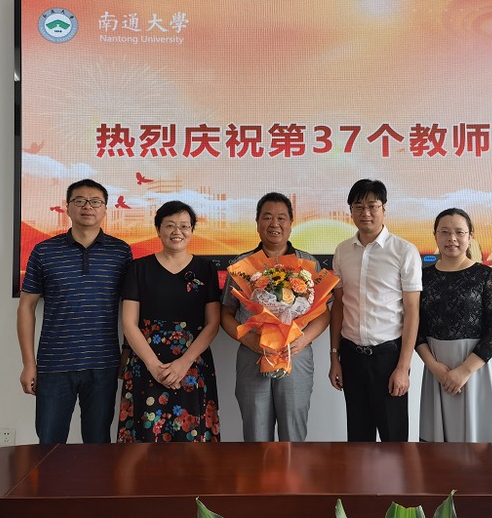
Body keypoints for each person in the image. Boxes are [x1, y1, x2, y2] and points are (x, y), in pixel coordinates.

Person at [17, 179, 133, 443]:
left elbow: (131, 307)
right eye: (79, 201)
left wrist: (127, 351)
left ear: (105, 209)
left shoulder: (120, 252)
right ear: (67, 207)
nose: (87, 207)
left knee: (98, 444)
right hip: (54, 364)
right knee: (49, 444)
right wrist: (28, 363)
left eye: (95, 201)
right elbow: (26, 306)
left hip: (104, 363)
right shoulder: (44, 251)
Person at [221, 192, 330, 442]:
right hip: (253, 353)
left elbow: (324, 313)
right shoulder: (242, 265)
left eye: (281, 218)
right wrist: (248, 340)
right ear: (257, 222)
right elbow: (225, 313)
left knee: (293, 432)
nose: (274, 224)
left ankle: (293, 472)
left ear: (291, 223)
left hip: (296, 354)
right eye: (267, 217)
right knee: (256, 432)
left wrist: (303, 340)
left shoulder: (308, 263)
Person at [117, 200, 221, 443]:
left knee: (191, 437)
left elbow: (212, 323)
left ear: (192, 230)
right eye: (170, 225)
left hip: (192, 362)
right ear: (158, 229)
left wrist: (184, 363)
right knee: (145, 437)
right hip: (146, 361)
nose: (177, 231)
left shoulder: (206, 268)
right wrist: (154, 366)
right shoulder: (138, 268)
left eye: (184, 225)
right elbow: (129, 323)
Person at [329, 179, 422, 442]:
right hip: (351, 357)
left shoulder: (404, 251)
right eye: (358, 206)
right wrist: (334, 357)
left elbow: (412, 312)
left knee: (394, 441)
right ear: (350, 211)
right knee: (358, 440)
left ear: (384, 209)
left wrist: (403, 367)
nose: (366, 213)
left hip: (388, 358)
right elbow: (339, 306)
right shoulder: (342, 251)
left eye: (372, 205)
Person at [416, 208, 492, 443]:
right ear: (435, 235)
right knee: (438, 452)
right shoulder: (422, 277)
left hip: (476, 370)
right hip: (437, 370)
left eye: (459, 232)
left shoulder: (486, 275)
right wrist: (434, 367)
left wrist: (464, 371)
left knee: (481, 448)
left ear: (470, 236)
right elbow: (415, 328)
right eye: (445, 232)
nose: (452, 238)